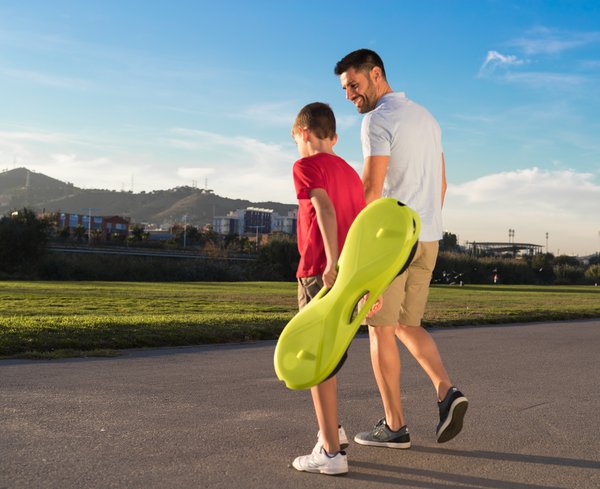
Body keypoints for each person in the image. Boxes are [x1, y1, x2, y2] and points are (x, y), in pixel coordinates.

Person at [334, 49, 468, 448]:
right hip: (428, 236)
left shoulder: (378, 119)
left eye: (354, 86)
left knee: (379, 329)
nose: (349, 96)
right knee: (407, 325)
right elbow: (442, 184)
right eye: (344, 89)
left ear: (377, 75)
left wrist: (350, 254)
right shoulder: (427, 118)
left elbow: (371, 189)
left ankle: (395, 427)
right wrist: (425, 223)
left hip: (393, 243)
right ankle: (446, 392)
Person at [289, 102, 366, 475]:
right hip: (350, 277)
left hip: (320, 272)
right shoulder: (351, 174)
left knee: (315, 360)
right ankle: (331, 433)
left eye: (297, 141)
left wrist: (331, 262)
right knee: (329, 357)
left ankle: (332, 454)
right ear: (333, 136)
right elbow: (361, 229)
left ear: (304, 133)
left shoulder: (305, 166)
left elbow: (324, 209)